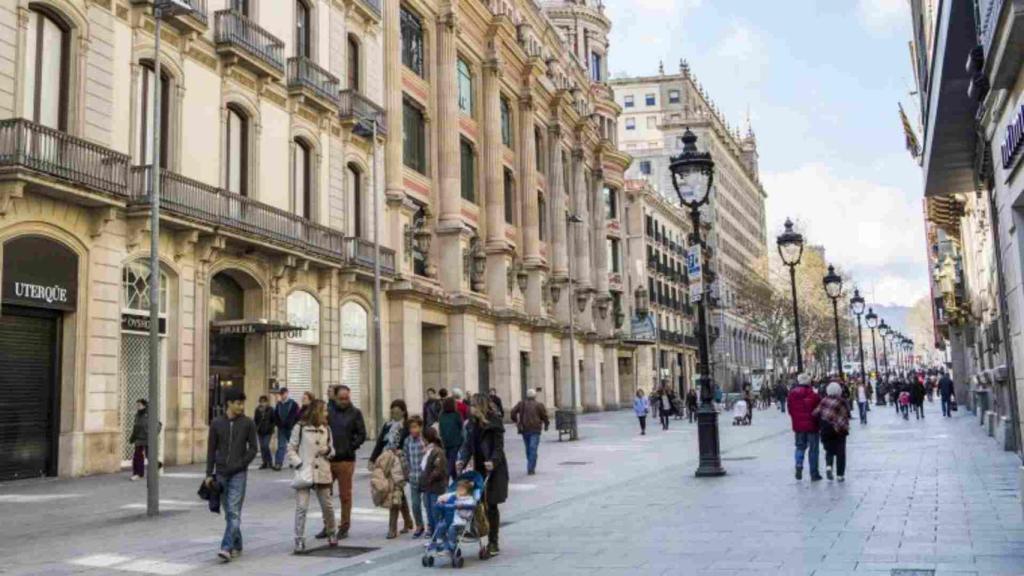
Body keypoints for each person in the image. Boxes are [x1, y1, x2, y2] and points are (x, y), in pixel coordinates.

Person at [205, 389, 258, 563]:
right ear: (229, 403)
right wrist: (208, 474)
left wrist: (241, 464)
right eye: (238, 403)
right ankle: (238, 544)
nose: (241, 406)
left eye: (243, 403)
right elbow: (211, 450)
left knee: (234, 511)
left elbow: (253, 448)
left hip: (238, 473)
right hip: (220, 473)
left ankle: (226, 547)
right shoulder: (216, 423)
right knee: (229, 512)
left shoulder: (248, 423)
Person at [457, 393, 508, 558]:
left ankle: (494, 541)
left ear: (479, 406)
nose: (469, 408)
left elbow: (499, 447)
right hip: (479, 467)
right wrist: (461, 461)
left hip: (494, 468)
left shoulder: (495, 422)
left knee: (491, 505)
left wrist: (493, 461)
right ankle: (480, 532)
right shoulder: (471, 424)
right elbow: (467, 445)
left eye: (472, 405)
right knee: (478, 503)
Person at [287, 399, 337, 552]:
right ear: (317, 412)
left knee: (327, 506)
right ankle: (299, 539)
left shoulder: (326, 429)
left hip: (322, 471)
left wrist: (328, 451)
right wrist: (299, 464)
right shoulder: (300, 428)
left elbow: (333, 451)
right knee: (302, 507)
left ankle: (331, 532)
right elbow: (291, 448)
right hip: (305, 472)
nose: (327, 414)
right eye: (325, 411)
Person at [320, 384, 366, 541]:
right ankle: (328, 526)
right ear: (335, 397)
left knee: (345, 495)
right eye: (341, 398)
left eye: (347, 398)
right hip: (329, 459)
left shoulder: (355, 413)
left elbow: (362, 434)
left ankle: (344, 526)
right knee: (325, 494)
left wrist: (351, 446)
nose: (344, 401)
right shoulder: (329, 412)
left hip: (346, 460)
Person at [369, 399, 412, 538]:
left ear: (403, 412)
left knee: (394, 493)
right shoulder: (387, 426)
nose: (394, 415)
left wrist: (402, 452)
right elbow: (380, 443)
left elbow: (410, 445)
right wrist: (372, 459)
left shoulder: (407, 427)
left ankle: (392, 528)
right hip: (386, 462)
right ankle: (408, 521)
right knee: (398, 492)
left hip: (399, 463)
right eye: (392, 412)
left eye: (397, 412)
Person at [813, 382, 851, 482]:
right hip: (840, 430)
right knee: (840, 452)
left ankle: (829, 467)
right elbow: (847, 413)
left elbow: (816, 413)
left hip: (826, 429)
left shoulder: (824, 400)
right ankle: (840, 474)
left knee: (829, 450)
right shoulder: (842, 401)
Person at [787, 373, 822, 481]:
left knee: (800, 447)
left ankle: (798, 465)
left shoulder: (791, 394)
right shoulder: (814, 395)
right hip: (812, 426)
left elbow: (790, 410)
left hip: (798, 426)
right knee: (813, 450)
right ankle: (814, 473)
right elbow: (819, 410)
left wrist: (796, 419)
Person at [510, 388, 549, 475]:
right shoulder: (539, 405)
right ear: (535, 396)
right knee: (532, 448)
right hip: (535, 430)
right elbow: (545, 416)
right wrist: (546, 424)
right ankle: (531, 467)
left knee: (529, 448)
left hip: (525, 429)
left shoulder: (521, 404)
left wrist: (516, 421)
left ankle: (530, 466)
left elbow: (513, 412)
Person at [432, 479, 477, 553]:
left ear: (468, 490)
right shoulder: (455, 496)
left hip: (460, 521)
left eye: (462, 489)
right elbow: (445, 498)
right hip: (450, 519)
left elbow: (468, 513)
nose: (459, 490)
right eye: (458, 488)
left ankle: (452, 545)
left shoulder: (469, 499)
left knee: (451, 529)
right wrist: (441, 500)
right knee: (440, 526)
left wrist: (461, 507)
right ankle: (440, 543)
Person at [419, 426, 448, 537]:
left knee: (436, 513)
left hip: (435, 488)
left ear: (426, 439)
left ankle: (439, 536)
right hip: (428, 488)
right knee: (429, 513)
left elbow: (438, 469)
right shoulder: (427, 451)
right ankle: (434, 537)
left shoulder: (437, 451)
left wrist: (429, 479)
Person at [403, 415, 428, 538]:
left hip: (425, 477)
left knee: (427, 503)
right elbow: (405, 456)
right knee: (415, 503)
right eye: (411, 428)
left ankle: (431, 526)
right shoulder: (407, 441)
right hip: (413, 477)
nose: (413, 430)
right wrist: (407, 470)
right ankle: (419, 525)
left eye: (415, 427)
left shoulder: (424, 440)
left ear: (420, 427)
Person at [273, 388, 300, 471]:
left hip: (290, 428)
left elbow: (296, 416)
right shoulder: (278, 404)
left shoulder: (293, 404)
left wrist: (292, 424)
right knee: (281, 446)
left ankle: (296, 462)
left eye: (283, 393)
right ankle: (278, 463)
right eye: (281, 394)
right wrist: (278, 424)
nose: (282, 395)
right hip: (281, 428)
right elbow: (276, 416)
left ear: (287, 393)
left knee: (293, 446)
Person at [439, 396, 463, 481]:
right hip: (455, 442)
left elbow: (440, 429)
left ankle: (455, 479)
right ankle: (446, 480)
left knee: (450, 461)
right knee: (451, 462)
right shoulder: (457, 415)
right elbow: (461, 427)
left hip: (445, 442)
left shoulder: (441, 415)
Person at [254, 395, 275, 470]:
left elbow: (273, 420)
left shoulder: (270, 409)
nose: (262, 403)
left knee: (266, 446)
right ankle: (264, 462)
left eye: (264, 402)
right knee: (262, 447)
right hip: (260, 431)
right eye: (261, 402)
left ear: (267, 402)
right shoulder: (257, 410)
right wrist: (256, 428)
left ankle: (270, 461)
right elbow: (255, 420)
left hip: (268, 431)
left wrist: (271, 428)